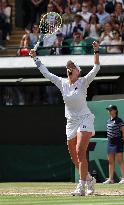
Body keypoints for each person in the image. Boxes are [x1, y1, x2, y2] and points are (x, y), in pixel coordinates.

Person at [29, 41, 100, 196]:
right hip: (71, 122)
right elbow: (46, 73)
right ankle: (89, 180)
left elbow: (96, 68)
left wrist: (96, 51)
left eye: (72, 67)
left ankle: (81, 187)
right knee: (74, 158)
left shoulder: (83, 82)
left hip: (85, 119)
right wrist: (36, 59)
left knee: (80, 151)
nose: (70, 68)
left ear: (78, 72)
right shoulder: (62, 83)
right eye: (68, 67)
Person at [103, 105, 124, 184]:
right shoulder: (107, 121)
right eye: (108, 110)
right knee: (110, 161)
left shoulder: (119, 120)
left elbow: (123, 130)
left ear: (115, 111)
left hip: (118, 142)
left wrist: (123, 140)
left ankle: (123, 179)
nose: (109, 111)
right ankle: (110, 179)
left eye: (111, 109)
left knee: (120, 160)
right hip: (110, 142)